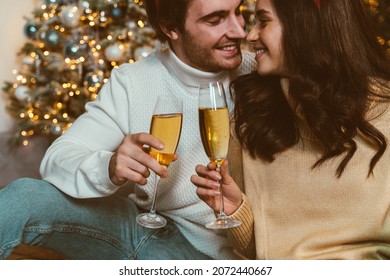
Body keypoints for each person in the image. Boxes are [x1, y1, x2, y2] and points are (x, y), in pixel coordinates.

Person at [0, 0, 256, 260]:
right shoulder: (133, 81)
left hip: (211, 255)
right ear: (170, 27)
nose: (240, 31)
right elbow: (58, 159)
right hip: (144, 229)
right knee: (23, 197)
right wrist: (109, 166)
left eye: (240, 12)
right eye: (215, 19)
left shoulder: (259, 73)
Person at [191, 0, 390, 259]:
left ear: (305, 26)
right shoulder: (251, 115)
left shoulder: (384, 113)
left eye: (263, 21)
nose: (249, 35)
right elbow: (262, 252)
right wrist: (235, 209)